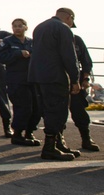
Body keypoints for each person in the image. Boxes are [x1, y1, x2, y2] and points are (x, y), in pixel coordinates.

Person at [30, 8, 82, 161]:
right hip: (55, 76)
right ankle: (50, 148)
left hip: (38, 75)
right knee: (57, 111)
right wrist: (75, 79)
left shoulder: (40, 27)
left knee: (48, 110)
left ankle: (58, 143)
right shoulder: (63, 29)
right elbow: (69, 56)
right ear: (68, 17)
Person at [0, 18, 41, 146]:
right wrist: (18, 54)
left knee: (36, 108)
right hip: (16, 80)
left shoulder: (32, 42)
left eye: (20, 26)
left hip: (31, 79)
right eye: (15, 26)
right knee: (23, 108)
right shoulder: (8, 42)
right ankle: (18, 134)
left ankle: (29, 132)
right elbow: (1, 58)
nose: (17, 28)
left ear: (26, 27)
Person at [71, 33, 100, 152]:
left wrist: (85, 79)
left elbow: (86, 60)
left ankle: (86, 139)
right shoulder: (51, 39)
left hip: (76, 80)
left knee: (79, 111)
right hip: (57, 80)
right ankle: (56, 140)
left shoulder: (76, 40)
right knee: (55, 113)